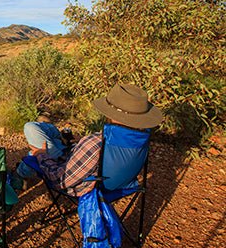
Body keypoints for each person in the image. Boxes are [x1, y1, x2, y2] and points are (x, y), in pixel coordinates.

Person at [14, 83, 163, 197]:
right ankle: (57, 138)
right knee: (50, 135)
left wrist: (41, 155)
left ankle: (18, 176)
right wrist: (78, 144)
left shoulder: (96, 143)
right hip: (119, 184)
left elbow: (61, 179)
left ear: (111, 114)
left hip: (77, 177)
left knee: (31, 133)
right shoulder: (140, 140)